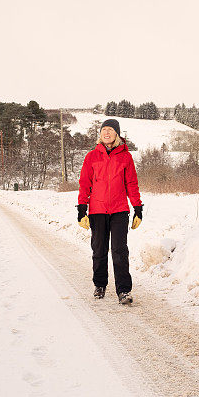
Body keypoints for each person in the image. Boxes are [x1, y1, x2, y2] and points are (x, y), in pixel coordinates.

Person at [77, 119, 143, 304]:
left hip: (119, 209)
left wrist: (137, 207)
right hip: (97, 210)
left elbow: (131, 184)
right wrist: (82, 208)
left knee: (119, 250)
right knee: (98, 249)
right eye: (104, 130)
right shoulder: (91, 156)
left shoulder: (125, 157)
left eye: (110, 130)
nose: (106, 133)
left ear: (117, 134)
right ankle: (100, 284)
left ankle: (124, 290)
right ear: (100, 134)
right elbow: (85, 184)